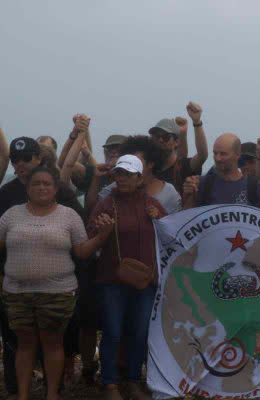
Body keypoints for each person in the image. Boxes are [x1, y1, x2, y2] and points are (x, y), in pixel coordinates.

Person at [0, 166, 113, 400]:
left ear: (56, 188)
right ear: (27, 188)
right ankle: (23, 395)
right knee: (24, 345)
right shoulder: (11, 214)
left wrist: (102, 237)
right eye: (36, 184)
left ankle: (52, 394)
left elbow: (82, 251)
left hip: (57, 292)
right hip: (17, 292)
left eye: (46, 184)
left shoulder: (68, 215)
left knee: (53, 344)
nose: (41, 187)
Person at [88, 155, 166, 400]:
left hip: (145, 281)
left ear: (139, 178)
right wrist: (102, 230)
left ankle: (133, 380)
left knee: (140, 331)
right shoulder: (106, 203)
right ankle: (109, 383)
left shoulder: (153, 204)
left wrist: (160, 220)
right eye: (118, 174)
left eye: (127, 174)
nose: (121, 178)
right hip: (112, 280)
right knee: (112, 331)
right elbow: (90, 235)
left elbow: (171, 237)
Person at [182, 133, 260, 209]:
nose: (218, 158)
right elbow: (187, 221)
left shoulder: (254, 187)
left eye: (223, 154)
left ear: (238, 154)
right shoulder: (203, 184)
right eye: (215, 153)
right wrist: (189, 195)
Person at [98, 136, 181, 214]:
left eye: (136, 162)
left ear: (151, 164)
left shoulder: (170, 194)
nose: (131, 166)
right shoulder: (111, 191)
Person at [149, 101, 208, 193]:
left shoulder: (183, 167)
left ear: (176, 142)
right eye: (156, 137)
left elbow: (202, 156)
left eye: (166, 137)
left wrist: (197, 122)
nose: (160, 140)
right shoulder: (149, 169)